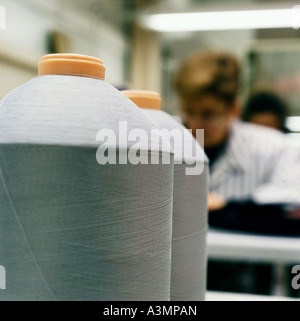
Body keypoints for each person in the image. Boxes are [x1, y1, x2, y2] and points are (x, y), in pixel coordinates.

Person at [174, 50, 300, 295]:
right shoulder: (166, 143)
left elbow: (291, 209)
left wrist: (224, 206)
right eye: (188, 111)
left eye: (208, 114)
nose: (195, 124)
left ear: (233, 109)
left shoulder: (273, 148)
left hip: (249, 284)